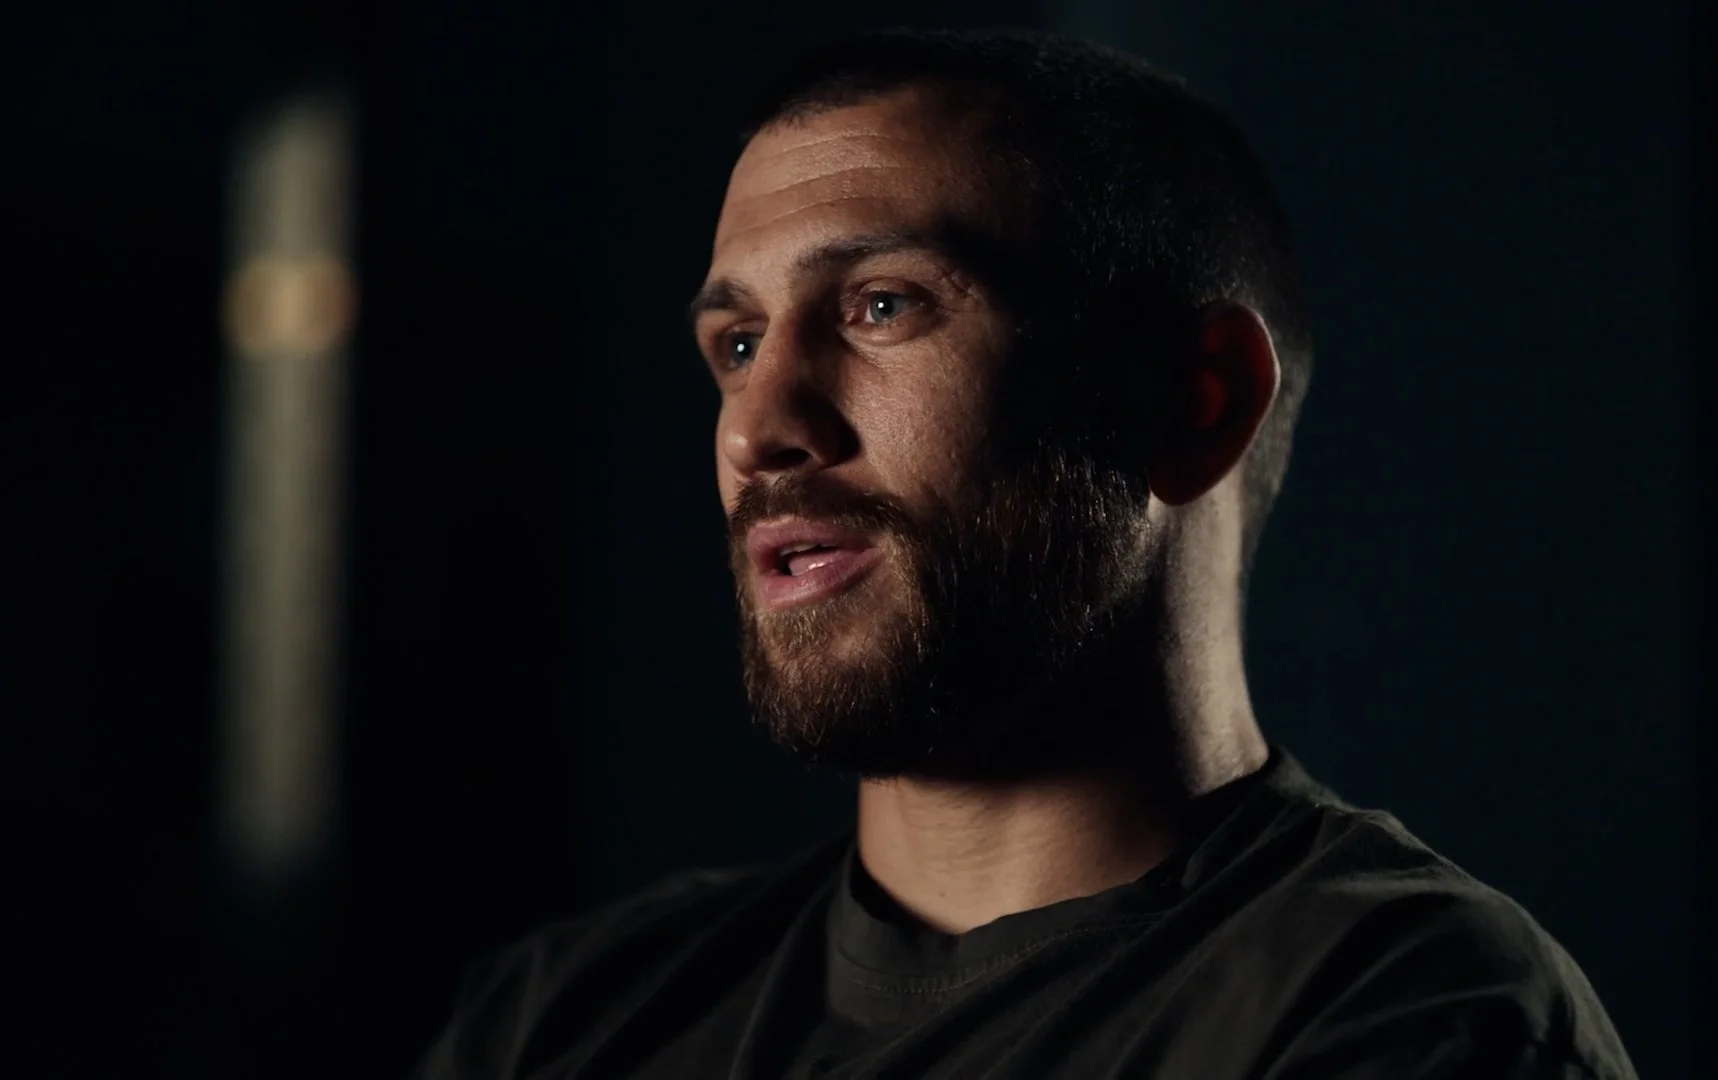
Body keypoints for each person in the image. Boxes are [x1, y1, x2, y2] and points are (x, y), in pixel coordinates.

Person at [416, 28, 1636, 1079]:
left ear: (1194, 404)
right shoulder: (565, 1018)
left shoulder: (1406, 1016)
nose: (757, 426)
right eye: (735, 344)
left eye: (881, 306)